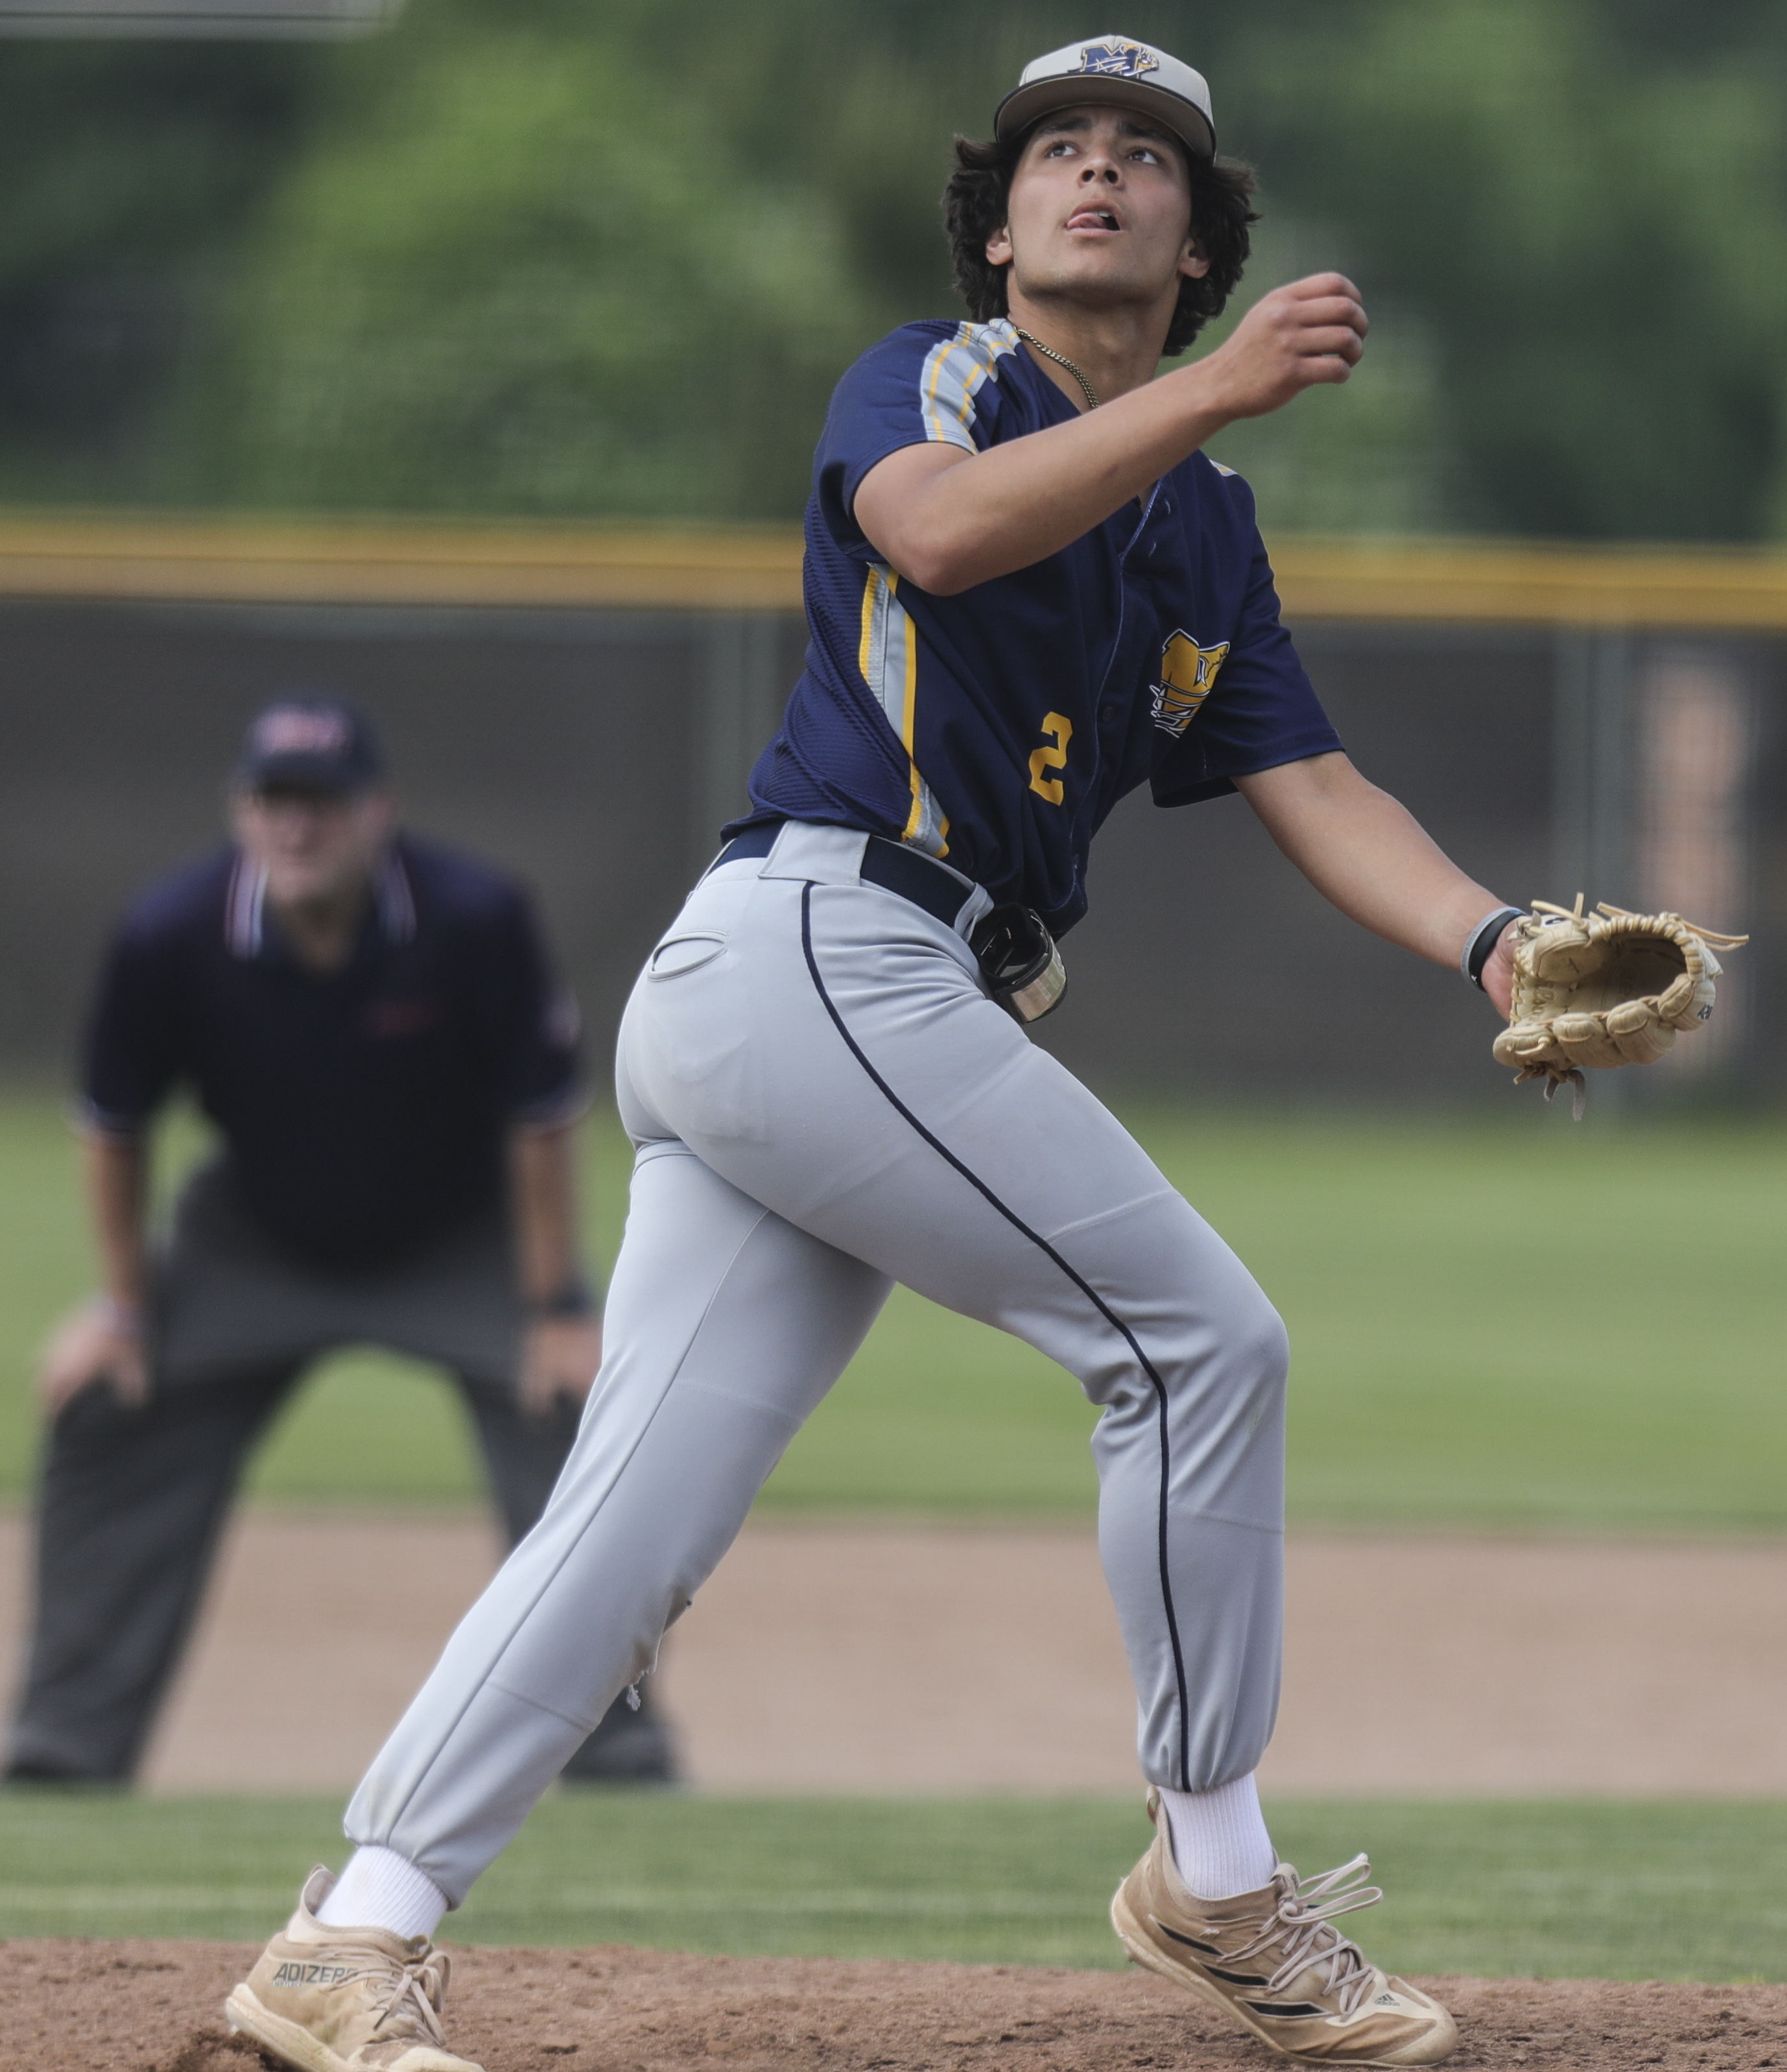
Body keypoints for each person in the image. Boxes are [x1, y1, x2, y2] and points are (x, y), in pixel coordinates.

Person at [222, 36, 1518, 2072]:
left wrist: (1498, 939)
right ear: (999, 229)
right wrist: (1212, 389)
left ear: (1196, 239)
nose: (1097, 174)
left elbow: (1311, 776)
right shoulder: (935, 377)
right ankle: (1216, 1874)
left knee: (629, 1517)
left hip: (837, 1009)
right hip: (833, 945)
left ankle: (350, 1932)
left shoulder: (1206, 525)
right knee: (1197, 1345)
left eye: (1145, 158)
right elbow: (938, 533)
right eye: (1056, 153)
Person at [6, 697, 672, 1789]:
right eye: (275, 802)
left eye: (323, 803)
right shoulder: (170, 932)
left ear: (380, 813)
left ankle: (617, 1752)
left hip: (461, 1234)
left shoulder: (474, 916)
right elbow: (113, 1127)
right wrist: (122, 1309)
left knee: (578, 1411)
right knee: (102, 1403)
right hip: (253, 1235)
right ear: (242, 812)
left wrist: (555, 1310)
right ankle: (65, 1752)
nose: (297, 827)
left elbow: (541, 1120)